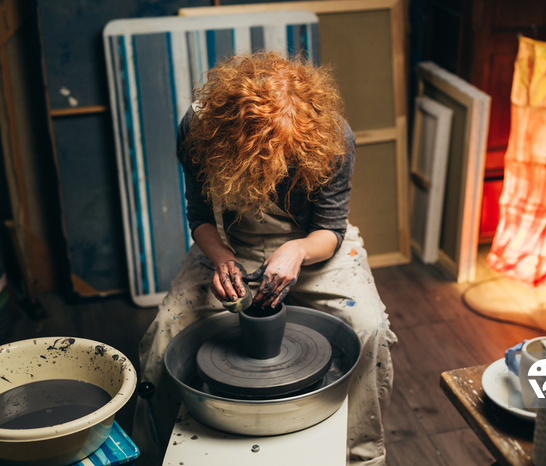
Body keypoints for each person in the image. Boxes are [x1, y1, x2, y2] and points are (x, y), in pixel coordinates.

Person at [132, 51, 397, 465]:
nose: (272, 167)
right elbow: (200, 217)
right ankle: (156, 455)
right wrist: (221, 258)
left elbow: (331, 229)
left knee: (370, 327)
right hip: (231, 242)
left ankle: (362, 456)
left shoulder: (332, 135)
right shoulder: (199, 130)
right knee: (163, 336)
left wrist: (296, 251)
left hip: (313, 245)